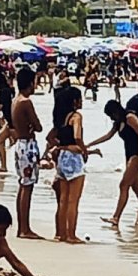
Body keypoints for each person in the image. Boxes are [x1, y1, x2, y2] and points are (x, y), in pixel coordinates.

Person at [89, 100, 138, 226]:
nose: (111, 118)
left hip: (136, 155)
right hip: (129, 156)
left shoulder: (130, 117)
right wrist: (89, 144)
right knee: (137, 188)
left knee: (123, 185)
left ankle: (116, 218)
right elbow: (107, 136)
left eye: (112, 115)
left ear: (116, 111)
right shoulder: (118, 123)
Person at [10, 68, 44, 238]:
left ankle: (21, 227)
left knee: (23, 184)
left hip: (19, 144)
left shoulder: (15, 101)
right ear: (31, 83)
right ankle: (25, 228)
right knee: (27, 186)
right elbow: (38, 125)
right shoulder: (26, 102)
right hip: (28, 144)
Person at [53, 86, 87, 243]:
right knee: (74, 200)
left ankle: (61, 233)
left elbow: (50, 137)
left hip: (62, 156)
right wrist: (84, 150)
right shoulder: (76, 116)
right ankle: (71, 234)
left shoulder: (61, 117)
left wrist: (62, 146)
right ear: (75, 101)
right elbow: (77, 136)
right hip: (73, 156)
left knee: (63, 199)